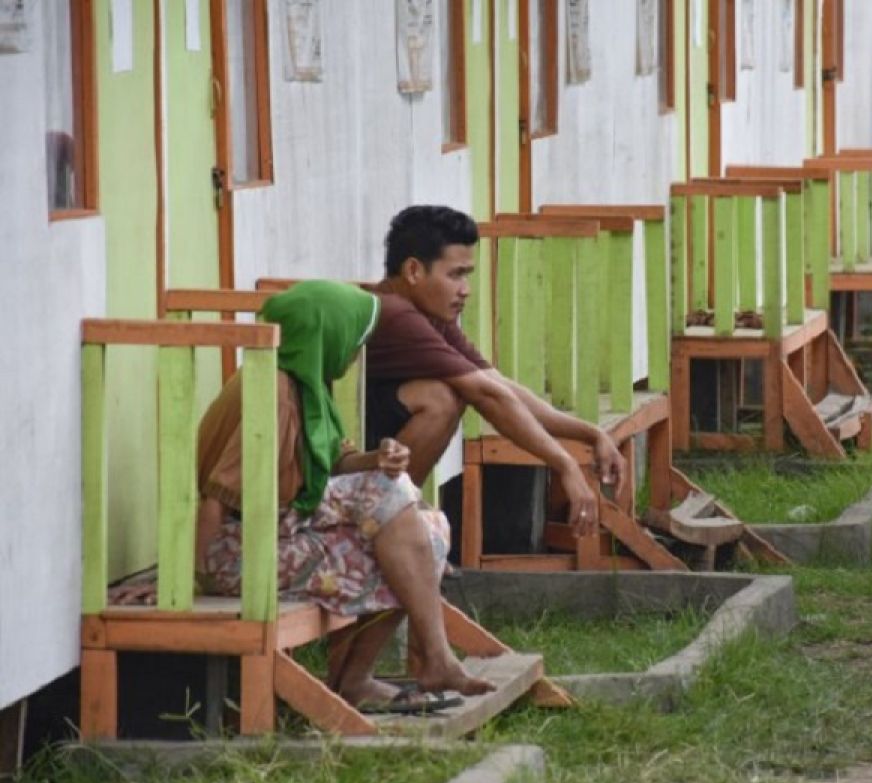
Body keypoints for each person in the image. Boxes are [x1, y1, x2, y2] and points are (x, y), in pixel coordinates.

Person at [195, 280, 494, 710]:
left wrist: (377, 458)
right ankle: (421, 661)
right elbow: (215, 500)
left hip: (273, 533)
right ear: (324, 336)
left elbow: (334, 462)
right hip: (236, 554)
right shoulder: (272, 396)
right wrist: (190, 583)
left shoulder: (302, 384)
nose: (355, 355)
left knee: (428, 530)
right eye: (352, 342)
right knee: (401, 529)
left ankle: (379, 673)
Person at [365, 205, 625, 538]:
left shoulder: (429, 316)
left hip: (373, 444)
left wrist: (591, 434)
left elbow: (496, 383)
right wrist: (564, 465)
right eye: (455, 274)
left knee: (453, 391)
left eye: (467, 276)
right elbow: (486, 395)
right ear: (414, 271)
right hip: (340, 454)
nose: (465, 289)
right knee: (442, 398)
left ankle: (394, 510)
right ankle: (382, 517)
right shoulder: (397, 315)